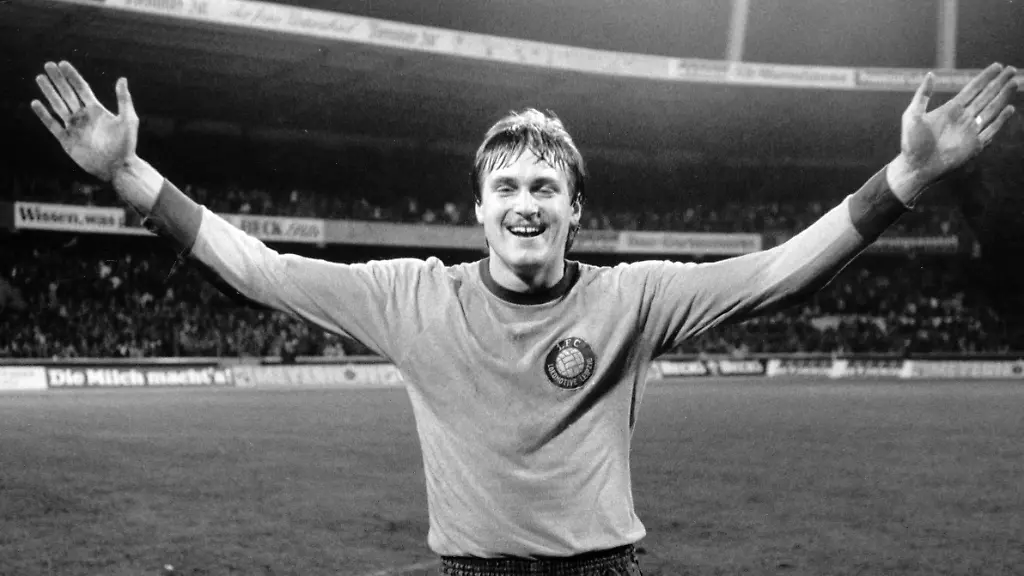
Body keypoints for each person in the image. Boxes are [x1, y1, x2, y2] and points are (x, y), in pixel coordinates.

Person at [30, 60, 1016, 575]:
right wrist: (129, 176)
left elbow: (777, 275)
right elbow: (259, 269)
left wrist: (905, 179)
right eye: (505, 186)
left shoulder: (630, 298)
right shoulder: (411, 296)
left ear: (575, 209)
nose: (525, 202)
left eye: (546, 185)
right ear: (479, 210)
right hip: (475, 575)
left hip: (602, 571)